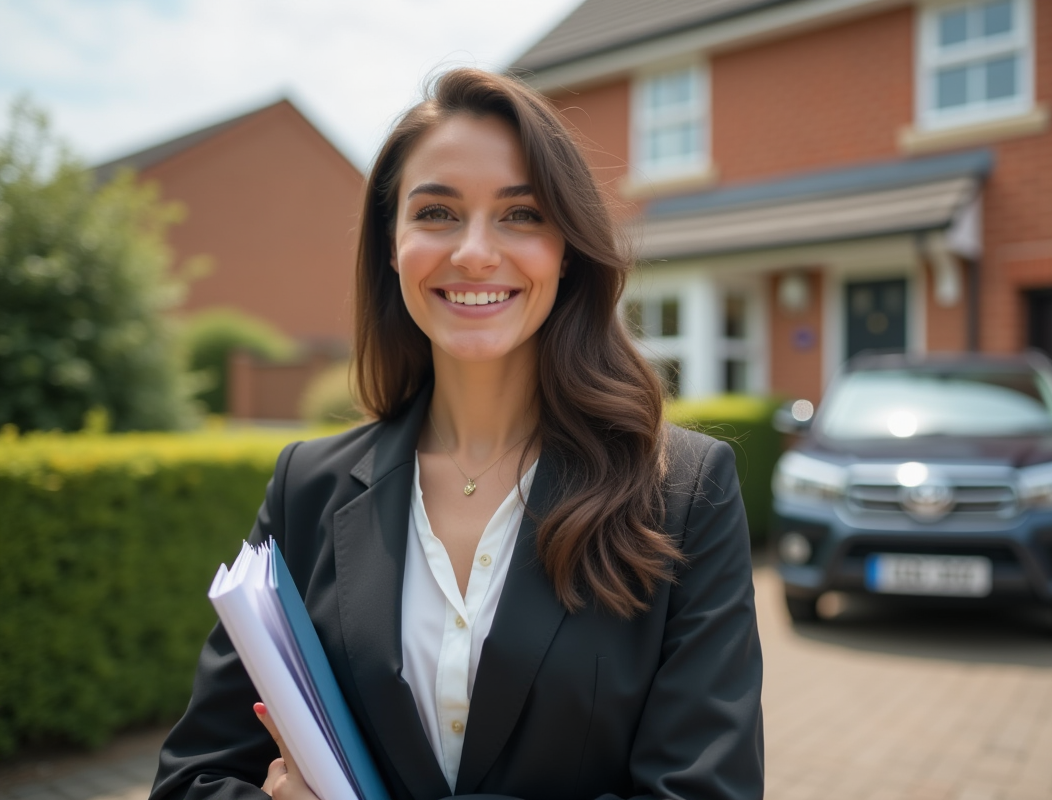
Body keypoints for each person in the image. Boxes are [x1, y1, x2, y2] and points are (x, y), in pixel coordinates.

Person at [149, 68, 763, 800]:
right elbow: (192, 778)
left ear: (566, 249)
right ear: (391, 243)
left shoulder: (684, 493)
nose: (474, 251)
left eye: (522, 214)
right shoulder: (306, 488)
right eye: (437, 213)